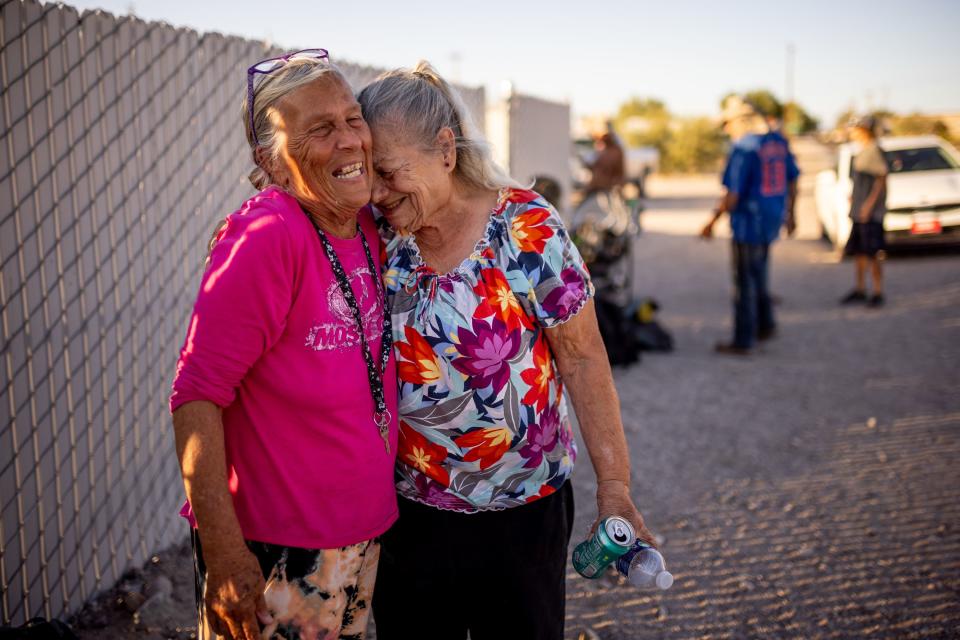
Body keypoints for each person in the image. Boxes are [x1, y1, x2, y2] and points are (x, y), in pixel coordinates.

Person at [357, 62, 657, 640]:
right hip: (411, 514)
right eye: (370, 174)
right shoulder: (374, 234)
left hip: (527, 512)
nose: (377, 192)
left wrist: (615, 488)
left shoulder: (526, 227)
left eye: (390, 173)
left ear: (445, 149)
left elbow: (584, 358)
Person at [169, 50, 398, 640]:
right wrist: (224, 555)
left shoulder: (368, 219)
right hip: (278, 545)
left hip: (357, 532)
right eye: (320, 129)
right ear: (271, 160)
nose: (350, 141)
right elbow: (196, 396)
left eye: (353, 119)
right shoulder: (267, 237)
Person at [701, 96, 799, 355]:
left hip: (748, 223)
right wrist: (791, 213)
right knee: (761, 273)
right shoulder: (777, 142)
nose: (725, 130)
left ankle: (744, 339)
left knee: (745, 280)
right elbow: (793, 179)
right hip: (770, 219)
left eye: (727, 124)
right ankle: (765, 324)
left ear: (740, 122)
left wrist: (711, 222)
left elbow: (732, 195)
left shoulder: (743, 148)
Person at [840, 115, 888, 307]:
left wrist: (869, 205)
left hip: (870, 213)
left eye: (854, 129)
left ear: (864, 130)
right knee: (859, 251)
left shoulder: (873, 150)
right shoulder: (861, 151)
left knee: (872, 252)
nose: (851, 133)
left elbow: (881, 178)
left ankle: (877, 292)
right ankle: (860, 289)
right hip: (858, 211)